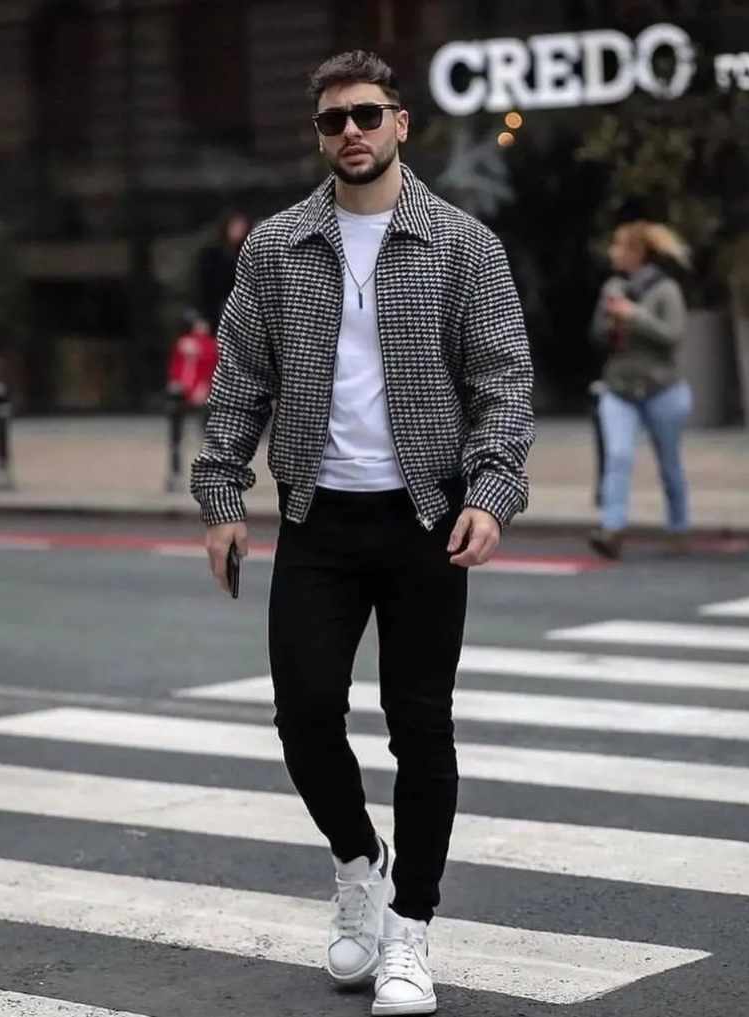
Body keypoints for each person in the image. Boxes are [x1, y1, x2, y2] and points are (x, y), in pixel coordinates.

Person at [191, 50, 533, 1016]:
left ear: (401, 124)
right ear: (319, 133)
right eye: (334, 119)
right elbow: (238, 383)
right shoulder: (278, 247)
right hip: (318, 519)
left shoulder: (463, 246)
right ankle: (358, 864)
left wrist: (494, 493)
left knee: (421, 726)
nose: (351, 132)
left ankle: (410, 931)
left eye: (367, 115)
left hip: (426, 518)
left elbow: (502, 381)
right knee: (304, 714)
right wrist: (221, 502)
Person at [587, 221, 693, 560]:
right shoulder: (612, 287)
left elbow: (673, 335)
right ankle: (611, 529)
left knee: (670, 465)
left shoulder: (666, 290)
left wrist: (634, 315)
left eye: (618, 246)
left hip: (663, 390)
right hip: (618, 388)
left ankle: (678, 528)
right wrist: (609, 319)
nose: (612, 253)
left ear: (636, 252)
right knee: (617, 456)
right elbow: (597, 337)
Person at [196, 210, 251, 331]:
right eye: (235, 226)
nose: (238, 230)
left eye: (241, 226)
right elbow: (204, 286)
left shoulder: (247, 252)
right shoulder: (212, 254)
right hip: (216, 308)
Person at [167, 310, 219, 410]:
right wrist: (174, 379)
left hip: (202, 383)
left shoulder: (212, 345)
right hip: (182, 382)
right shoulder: (184, 341)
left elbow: (212, 367)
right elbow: (175, 363)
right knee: (174, 402)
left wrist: (206, 384)